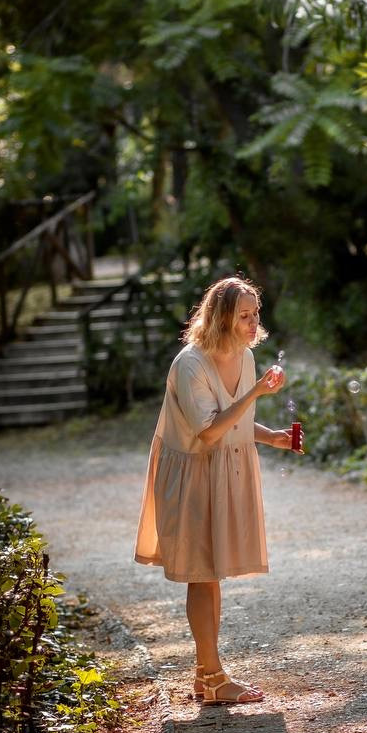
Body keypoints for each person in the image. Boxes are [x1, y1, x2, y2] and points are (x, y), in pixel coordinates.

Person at [135, 275, 301, 704]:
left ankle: (207, 676)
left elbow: (233, 419)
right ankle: (211, 677)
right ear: (221, 317)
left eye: (255, 313)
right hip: (191, 473)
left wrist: (271, 436)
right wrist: (257, 392)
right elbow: (209, 431)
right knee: (202, 575)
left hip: (222, 469)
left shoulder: (244, 355)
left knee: (212, 575)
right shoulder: (190, 364)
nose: (253, 323)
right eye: (244, 315)